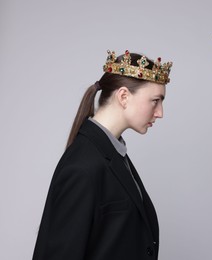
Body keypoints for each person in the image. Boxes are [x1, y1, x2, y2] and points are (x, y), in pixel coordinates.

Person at [33, 50, 173, 260]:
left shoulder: (113, 153)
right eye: (155, 100)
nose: (160, 112)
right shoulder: (83, 166)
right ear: (124, 96)